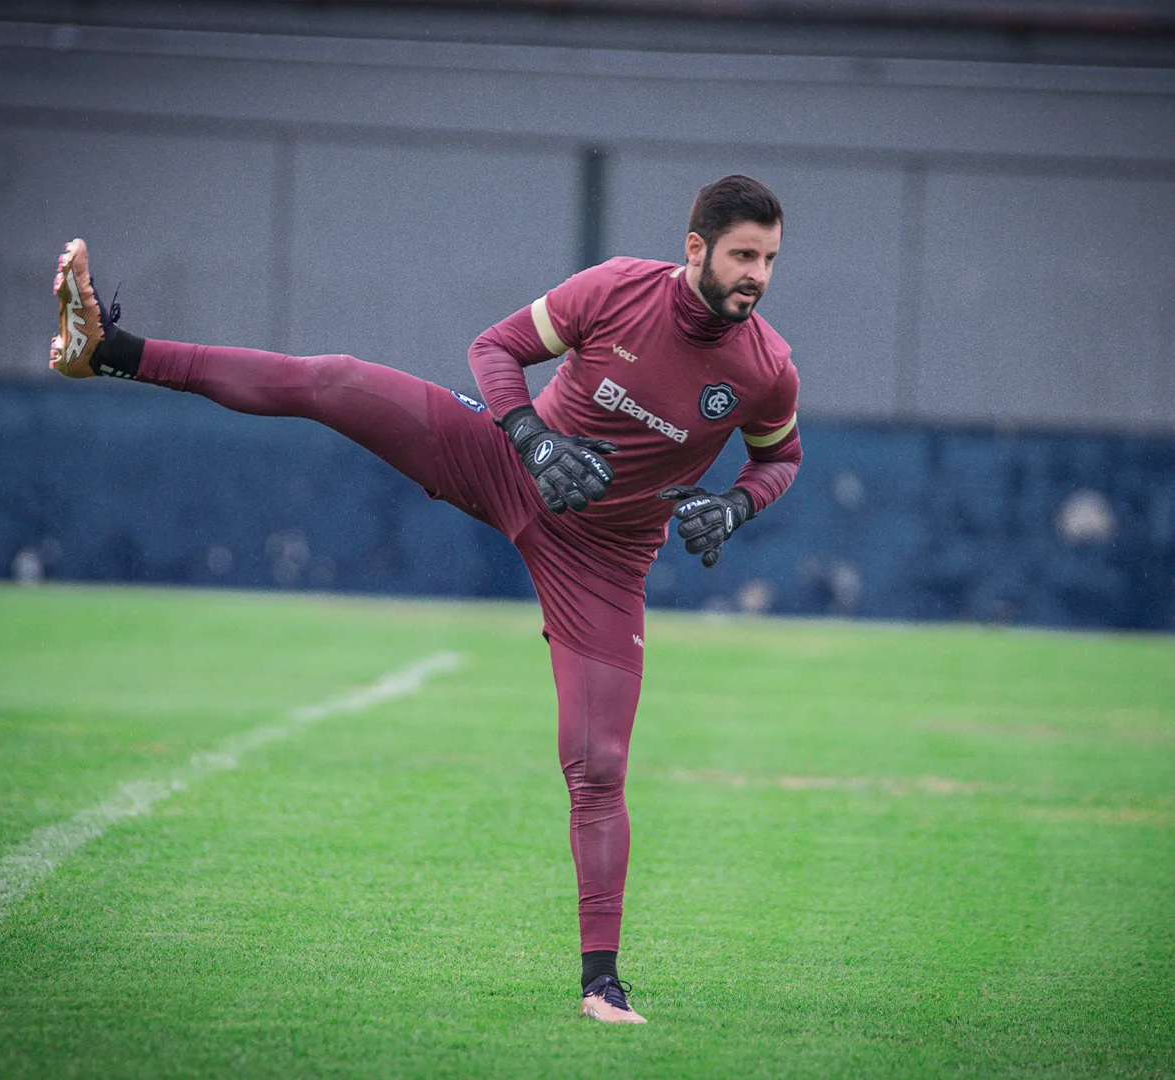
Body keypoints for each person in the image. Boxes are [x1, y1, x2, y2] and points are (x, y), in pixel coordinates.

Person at [49, 174, 802, 1024]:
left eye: (770, 259)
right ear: (696, 248)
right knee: (331, 379)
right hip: (503, 458)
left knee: (600, 767)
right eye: (744, 255)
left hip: (603, 557)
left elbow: (779, 458)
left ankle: (602, 986)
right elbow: (495, 350)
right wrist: (530, 436)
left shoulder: (765, 367)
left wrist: (736, 504)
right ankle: (107, 349)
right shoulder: (617, 288)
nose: (758, 275)